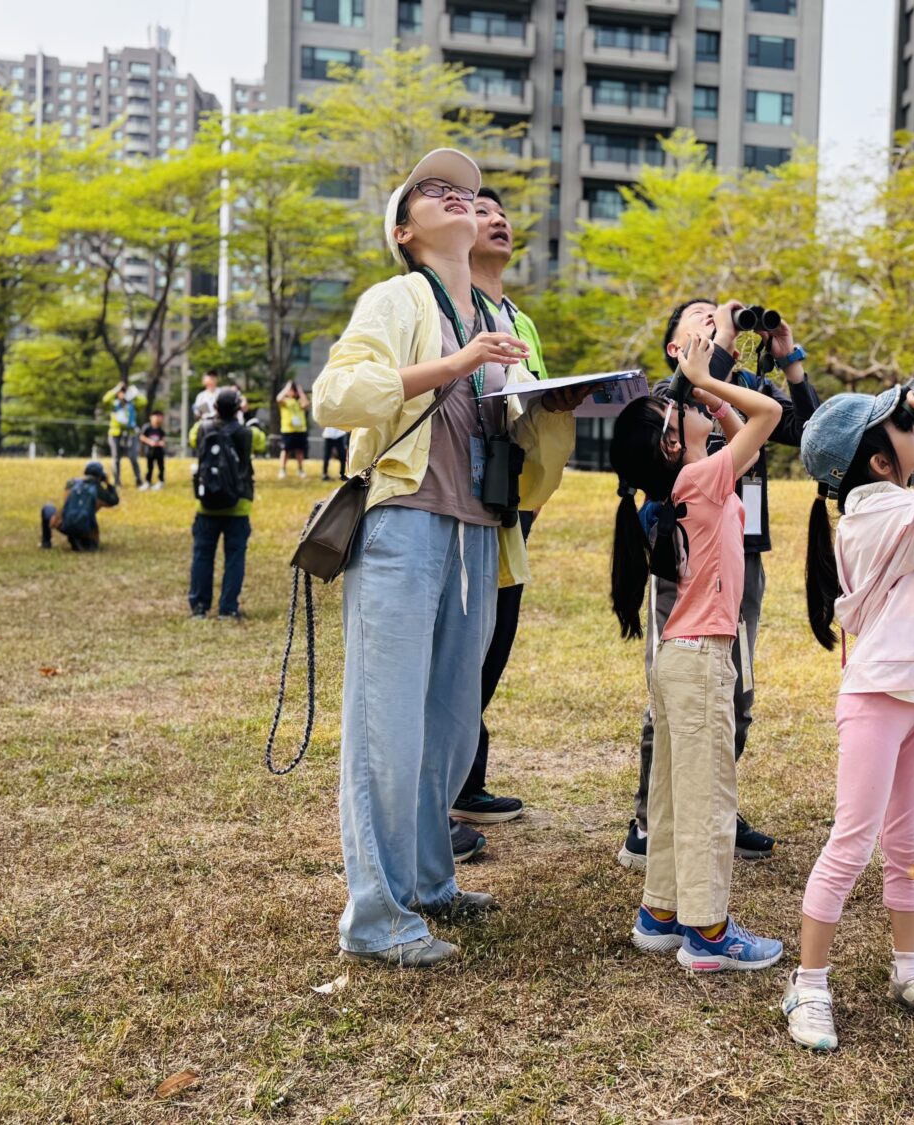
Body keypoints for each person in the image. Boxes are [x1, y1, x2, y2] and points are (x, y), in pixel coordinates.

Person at [311, 148, 576, 969]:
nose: (459, 198)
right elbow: (334, 396)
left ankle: (429, 881)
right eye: (435, 192)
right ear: (405, 230)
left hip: (478, 530)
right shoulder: (395, 298)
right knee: (385, 727)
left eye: (465, 190)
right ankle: (375, 915)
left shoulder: (495, 317)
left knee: (451, 725)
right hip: (402, 526)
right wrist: (458, 365)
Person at [779, 374, 914, 1051]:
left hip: (912, 699)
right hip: (878, 700)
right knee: (851, 842)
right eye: (905, 425)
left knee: (907, 847)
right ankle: (808, 983)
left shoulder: (896, 506)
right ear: (878, 461)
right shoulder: (882, 515)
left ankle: (911, 973)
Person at [617, 297, 821, 872]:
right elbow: (697, 397)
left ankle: (713, 807)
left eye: (721, 315)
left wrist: (790, 360)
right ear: (674, 348)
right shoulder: (668, 396)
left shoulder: (734, 384)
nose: (715, 321)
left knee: (738, 692)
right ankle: (649, 821)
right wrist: (719, 355)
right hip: (682, 561)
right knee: (674, 694)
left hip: (741, 552)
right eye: (702, 317)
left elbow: (810, 434)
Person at [612, 333, 785, 973]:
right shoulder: (702, 478)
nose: (681, 399)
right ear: (668, 441)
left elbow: (749, 432)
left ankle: (660, 910)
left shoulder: (689, 480)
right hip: (702, 659)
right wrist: (701, 378)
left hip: (676, 656)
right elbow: (770, 418)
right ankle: (708, 931)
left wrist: (707, 399)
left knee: (671, 793)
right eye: (674, 405)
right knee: (709, 795)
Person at [447, 186, 570, 849]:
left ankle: (464, 784)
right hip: (458, 500)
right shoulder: (447, 305)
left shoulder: (520, 321)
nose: (496, 220)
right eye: (481, 212)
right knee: (456, 649)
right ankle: (436, 803)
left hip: (512, 505)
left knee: (490, 648)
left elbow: (536, 413)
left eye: (502, 214)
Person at [188, 389, 267, 620]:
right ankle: (228, 608)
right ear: (237, 408)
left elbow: (192, 438)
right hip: (238, 503)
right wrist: (249, 417)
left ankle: (200, 608)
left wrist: (207, 417)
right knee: (234, 556)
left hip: (207, 503)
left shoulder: (202, 428)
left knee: (202, 554)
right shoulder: (247, 433)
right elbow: (261, 442)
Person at [40, 461, 119, 551]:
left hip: (65, 525)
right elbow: (114, 500)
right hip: (86, 530)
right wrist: (109, 484)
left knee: (47, 507)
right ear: (101, 476)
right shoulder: (98, 490)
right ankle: (82, 540)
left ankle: (46, 543)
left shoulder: (71, 483)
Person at [102, 381, 146, 489]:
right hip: (116, 433)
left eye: (124, 392)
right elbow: (105, 399)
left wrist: (134, 393)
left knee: (133, 457)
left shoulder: (133, 404)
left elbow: (144, 402)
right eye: (121, 392)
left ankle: (139, 480)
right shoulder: (114, 404)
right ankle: (117, 482)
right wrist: (116, 389)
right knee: (116, 458)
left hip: (130, 433)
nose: (123, 394)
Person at [276, 381, 310, 479]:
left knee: (300, 451)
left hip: (300, 430)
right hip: (288, 430)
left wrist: (300, 391)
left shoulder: (299, 401)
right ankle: (282, 469)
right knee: (285, 451)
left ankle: (300, 470)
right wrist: (286, 388)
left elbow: (306, 404)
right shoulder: (285, 401)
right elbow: (278, 399)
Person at [140, 410, 167, 490]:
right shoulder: (147, 428)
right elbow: (142, 437)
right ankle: (148, 482)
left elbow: (164, 439)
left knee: (161, 467)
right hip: (150, 451)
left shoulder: (161, 429)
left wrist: (161, 443)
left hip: (159, 451)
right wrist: (150, 442)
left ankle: (161, 481)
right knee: (150, 467)